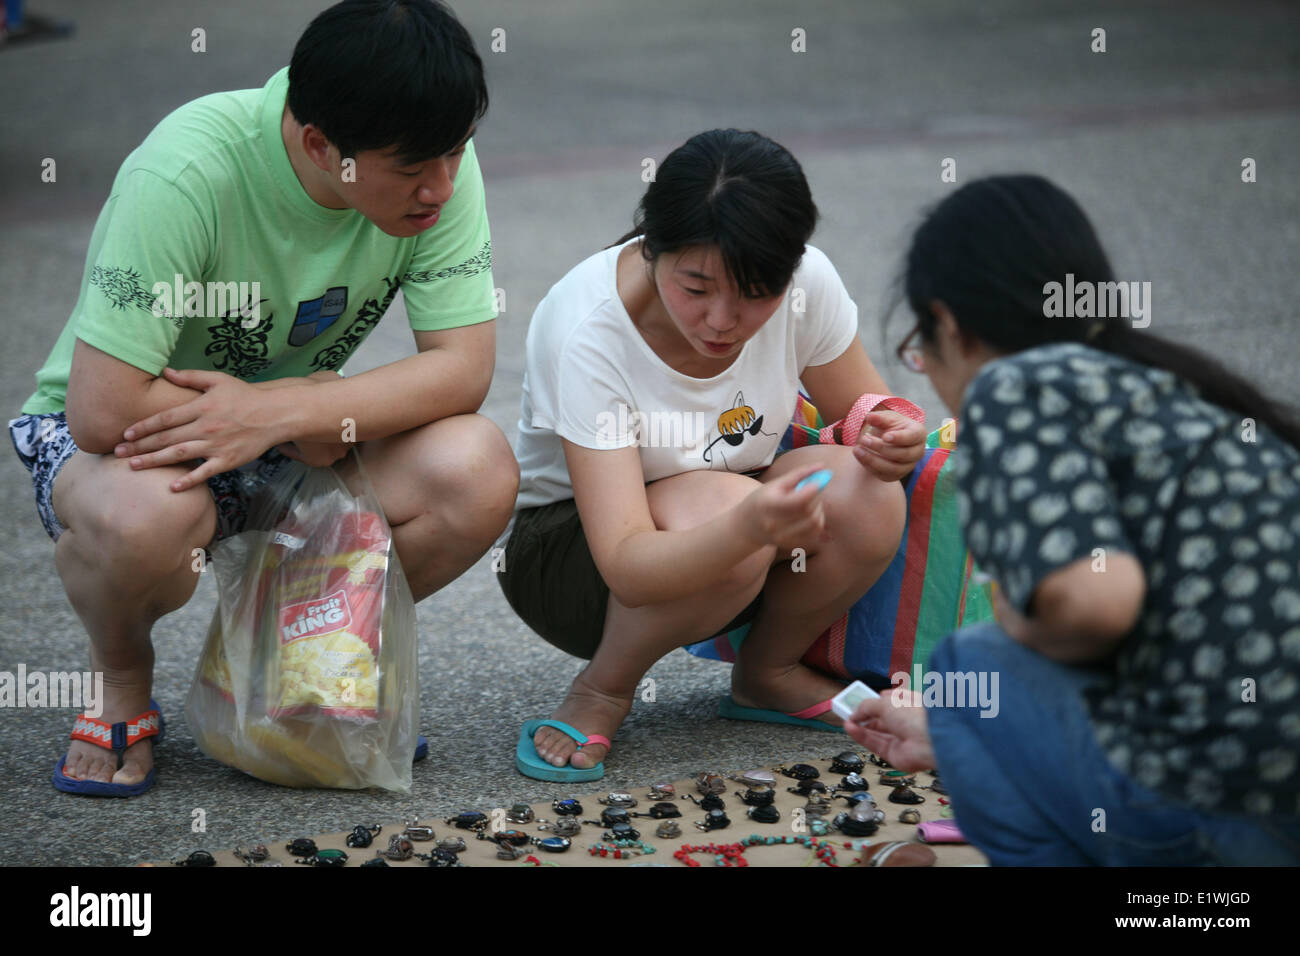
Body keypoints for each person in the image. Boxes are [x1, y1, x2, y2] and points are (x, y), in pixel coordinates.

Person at [7, 0, 518, 796]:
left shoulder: (431, 156)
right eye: (415, 169)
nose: (442, 190)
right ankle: (121, 679)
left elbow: (464, 368)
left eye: (454, 156)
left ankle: (270, 670)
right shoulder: (187, 170)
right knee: (148, 522)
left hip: (286, 431)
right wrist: (294, 410)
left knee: (476, 468)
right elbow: (101, 410)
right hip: (135, 447)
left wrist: (294, 413)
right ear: (321, 145)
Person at [845, 174, 1300, 864]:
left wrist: (1009, 635)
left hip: (1237, 815)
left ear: (948, 324)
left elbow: (1099, 604)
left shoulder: (1013, 384)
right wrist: (960, 730)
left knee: (975, 661)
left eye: (920, 349)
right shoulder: (1174, 397)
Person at [498, 128, 929, 780]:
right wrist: (747, 528)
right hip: (575, 561)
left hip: (735, 518)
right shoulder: (588, 330)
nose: (723, 321)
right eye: (696, 288)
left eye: (756, 293)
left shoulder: (807, 283)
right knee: (732, 516)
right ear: (652, 249)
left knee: (865, 488)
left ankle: (769, 672)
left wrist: (894, 436)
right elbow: (627, 567)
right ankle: (604, 688)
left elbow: (867, 410)